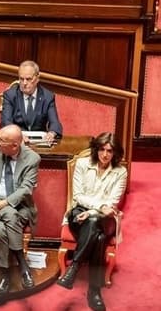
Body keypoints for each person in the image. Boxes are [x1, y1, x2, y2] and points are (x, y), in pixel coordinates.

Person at [56, 133, 126, 311]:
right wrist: (98, 207)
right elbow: (78, 196)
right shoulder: (82, 164)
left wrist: (93, 212)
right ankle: (94, 291)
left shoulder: (121, 172)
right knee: (99, 237)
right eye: (102, 149)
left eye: (109, 151)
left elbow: (112, 203)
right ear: (96, 149)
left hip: (105, 218)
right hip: (79, 213)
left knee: (95, 221)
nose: (105, 154)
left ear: (115, 153)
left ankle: (74, 267)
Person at [0, 124, 40, 296]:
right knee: (8, 214)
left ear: (15, 145)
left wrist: (3, 203)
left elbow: (26, 189)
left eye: (2, 141)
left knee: (1, 229)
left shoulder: (32, 158)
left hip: (21, 207)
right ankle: (23, 265)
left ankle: (5, 275)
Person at [0, 60, 63, 142]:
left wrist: (52, 133)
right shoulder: (10, 95)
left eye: (28, 79)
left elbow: (55, 122)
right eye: (21, 79)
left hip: (39, 142)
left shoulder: (47, 97)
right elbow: (6, 122)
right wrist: (18, 135)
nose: (24, 83)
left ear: (37, 78)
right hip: (17, 141)